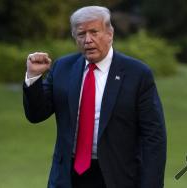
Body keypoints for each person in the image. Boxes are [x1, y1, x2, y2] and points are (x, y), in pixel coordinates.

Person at [23, 6, 166, 188]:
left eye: (94, 32)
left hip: (118, 176)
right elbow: (36, 114)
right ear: (75, 38)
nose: (88, 40)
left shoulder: (137, 73)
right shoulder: (62, 68)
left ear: (110, 34)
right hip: (68, 176)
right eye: (81, 34)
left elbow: (154, 136)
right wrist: (33, 77)